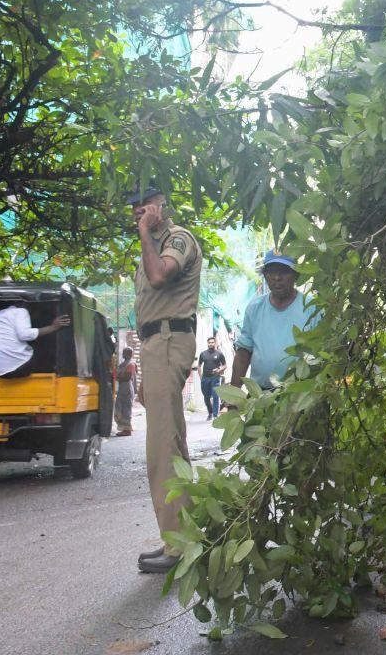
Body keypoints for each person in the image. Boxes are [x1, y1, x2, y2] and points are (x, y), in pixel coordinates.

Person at [129, 187, 202, 574]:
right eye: (133, 208)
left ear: (160, 206)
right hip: (156, 345)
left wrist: (146, 230)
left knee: (161, 447)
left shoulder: (178, 239)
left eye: (144, 205)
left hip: (170, 340)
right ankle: (187, 535)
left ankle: (177, 545)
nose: (137, 213)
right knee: (171, 444)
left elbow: (159, 277)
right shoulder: (151, 247)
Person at [230, 251, 315, 390]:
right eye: (271, 272)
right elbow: (243, 353)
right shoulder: (254, 308)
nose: (277, 277)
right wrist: (233, 395)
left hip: (300, 395)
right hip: (261, 395)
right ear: (265, 276)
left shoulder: (311, 307)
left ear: (296, 275)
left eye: (284, 271)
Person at [0, 305, 69, 378]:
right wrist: (53, 327)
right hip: (19, 367)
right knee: (45, 343)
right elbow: (25, 335)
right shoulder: (21, 311)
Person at [196, 337, 226, 419]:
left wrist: (219, 369)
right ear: (207, 343)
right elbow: (199, 365)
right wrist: (201, 377)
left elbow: (225, 365)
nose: (210, 344)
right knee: (206, 397)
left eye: (212, 342)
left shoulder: (219, 354)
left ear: (215, 343)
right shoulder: (203, 354)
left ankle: (215, 415)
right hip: (205, 378)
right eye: (209, 342)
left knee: (215, 396)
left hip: (215, 378)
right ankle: (210, 413)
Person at [114, 348, 137, 436]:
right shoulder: (124, 364)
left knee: (125, 409)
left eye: (126, 353)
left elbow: (127, 377)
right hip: (123, 388)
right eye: (124, 353)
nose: (124, 354)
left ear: (130, 354)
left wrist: (117, 376)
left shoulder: (131, 364)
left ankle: (127, 430)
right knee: (121, 407)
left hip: (127, 388)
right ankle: (126, 427)